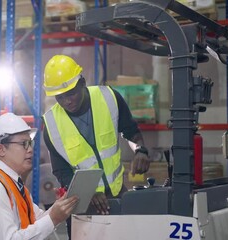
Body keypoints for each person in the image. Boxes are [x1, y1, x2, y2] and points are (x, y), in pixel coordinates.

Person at [42, 55, 150, 238]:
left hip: (117, 195)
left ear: (82, 82)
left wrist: (140, 149)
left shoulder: (109, 98)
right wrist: (88, 192)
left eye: (71, 93)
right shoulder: (51, 126)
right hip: (83, 206)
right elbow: (62, 172)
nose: (67, 101)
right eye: (60, 97)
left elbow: (130, 131)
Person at [0, 113, 79, 240]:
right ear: (1, 149)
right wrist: (53, 218)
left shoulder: (15, 184)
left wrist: (58, 209)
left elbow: (37, 220)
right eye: (24, 144)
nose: (30, 150)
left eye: (30, 143)